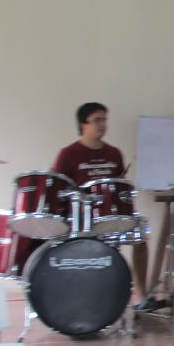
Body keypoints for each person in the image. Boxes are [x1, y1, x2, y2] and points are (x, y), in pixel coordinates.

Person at [53, 102, 149, 298]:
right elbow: (57, 188)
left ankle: (142, 295)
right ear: (83, 124)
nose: (103, 124)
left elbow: (120, 187)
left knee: (140, 235)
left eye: (104, 120)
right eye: (97, 120)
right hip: (82, 219)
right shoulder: (68, 154)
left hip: (110, 215)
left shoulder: (114, 153)